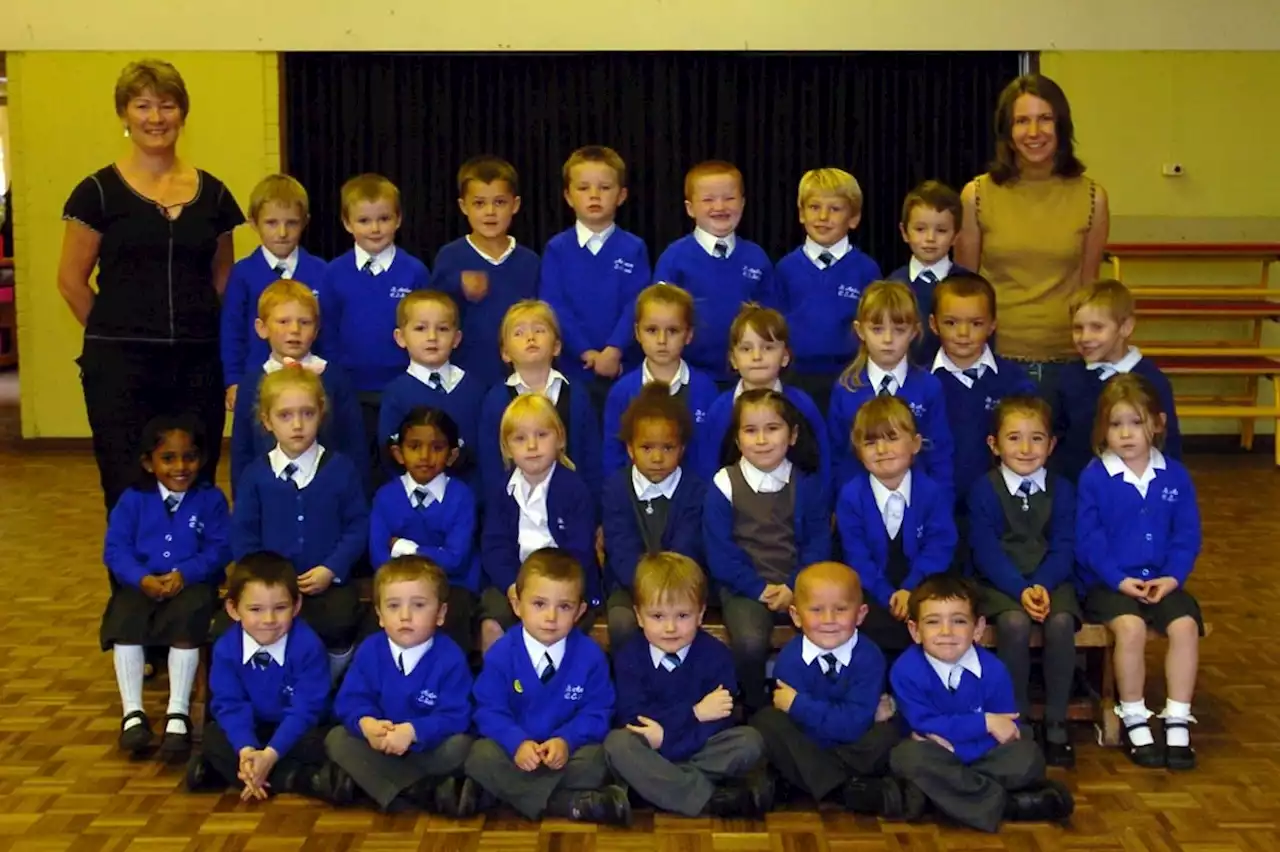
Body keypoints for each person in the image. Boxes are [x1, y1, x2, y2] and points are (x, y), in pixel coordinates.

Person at [58, 59, 245, 512]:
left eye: (166, 105)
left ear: (182, 113)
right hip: (121, 368)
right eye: (142, 105)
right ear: (124, 114)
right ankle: (132, 583)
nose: (155, 118)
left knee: (196, 478)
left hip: (197, 364)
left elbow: (224, 279)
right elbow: (70, 281)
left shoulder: (214, 195)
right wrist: (118, 333)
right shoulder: (97, 193)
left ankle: (196, 581)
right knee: (125, 481)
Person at [1075, 374, 1202, 770]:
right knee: (1128, 628)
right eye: (1116, 424)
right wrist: (1119, 579)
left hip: (1162, 581)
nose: (1126, 434)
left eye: (1136, 422)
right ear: (1103, 430)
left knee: (1184, 626)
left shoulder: (1175, 475)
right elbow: (1089, 539)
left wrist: (1172, 577)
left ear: (1158, 424)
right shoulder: (1095, 476)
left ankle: (1178, 717)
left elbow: (1187, 534)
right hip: (1109, 583)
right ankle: (1133, 714)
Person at [955, 73, 1110, 391]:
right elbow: (966, 290)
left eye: (1045, 119)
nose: (1034, 132)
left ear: (1061, 126)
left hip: (1068, 359)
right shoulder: (976, 195)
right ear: (1008, 132)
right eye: (1022, 121)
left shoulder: (1093, 197)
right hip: (995, 358)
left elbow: (1088, 289)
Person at [889, 575, 1074, 832]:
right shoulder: (905, 670)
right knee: (906, 756)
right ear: (915, 631)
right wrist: (984, 722)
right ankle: (1009, 805)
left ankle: (938, 798)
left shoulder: (993, 670)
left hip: (968, 755)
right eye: (933, 622)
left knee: (1028, 756)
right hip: (933, 754)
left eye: (959, 621)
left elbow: (1007, 729)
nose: (946, 632)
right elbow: (923, 722)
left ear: (978, 629)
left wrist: (956, 751)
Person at [465, 549, 629, 825]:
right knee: (479, 756)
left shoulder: (590, 656)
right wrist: (516, 742)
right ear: (517, 605)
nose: (551, 617)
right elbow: (488, 710)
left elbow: (598, 711)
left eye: (564, 607)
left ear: (580, 611)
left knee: (598, 759)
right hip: (514, 752)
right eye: (539, 604)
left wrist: (567, 740)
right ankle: (568, 803)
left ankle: (505, 794)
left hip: (566, 754)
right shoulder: (502, 653)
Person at [605, 552, 771, 817]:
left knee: (749, 741)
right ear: (638, 616)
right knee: (618, 744)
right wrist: (693, 713)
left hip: (681, 748)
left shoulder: (716, 655)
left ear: (701, 614)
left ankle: (654, 786)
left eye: (682, 615)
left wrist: (666, 739)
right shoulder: (629, 657)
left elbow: (719, 720)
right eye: (657, 616)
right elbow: (633, 718)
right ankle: (709, 799)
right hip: (653, 744)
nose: (670, 627)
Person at [103, 414, 230, 756]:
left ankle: (178, 713)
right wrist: (140, 577)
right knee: (125, 620)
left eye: (189, 457)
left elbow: (221, 547)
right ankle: (133, 713)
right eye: (168, 458)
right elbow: (115, 549)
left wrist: (186, 573)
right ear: (148, 462)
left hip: (192, 583)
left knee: (189, 621)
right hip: (141, 582)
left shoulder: (211, 498)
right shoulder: (132, 500)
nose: (181, 467)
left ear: (201, 459)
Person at [230, 368, 368, 679]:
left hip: (327, 582)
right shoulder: (255, 475)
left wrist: (331, 568)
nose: (297, 425)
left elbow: (357, 525)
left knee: (340, 621)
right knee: (265, 626)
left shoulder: (341, 469)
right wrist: (270, 579)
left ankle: (325, 686)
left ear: (321, 414)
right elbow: (243, 535)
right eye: (285, 415)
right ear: (267, 421)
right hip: (272, 589)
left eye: (307, 413)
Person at [703, 388, 831, 713]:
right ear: (736, 439)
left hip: (798, 585)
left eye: (772, 428)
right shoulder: (724, 484)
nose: (761, 439)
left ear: (793, 435)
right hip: (745, 588)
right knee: (749, 641)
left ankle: (811, 706)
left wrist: (793, 586)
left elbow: (817, 545)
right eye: (750, 430)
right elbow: (720, 554)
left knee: (830, 628)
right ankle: (756, 708)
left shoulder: (806, 484)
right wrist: (758, 589)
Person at [967, 396, 1079, 767]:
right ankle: (1018, 719)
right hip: (1002, 583)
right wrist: (1020, 589)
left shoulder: (1062, 490)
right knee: (1013, 624)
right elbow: (986, 551)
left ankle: (1056, 720)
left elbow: (1064, 546)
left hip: (1051, 580)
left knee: (1062, 623)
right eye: (1014, 438)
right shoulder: (984, 490)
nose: (1026, 449)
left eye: (1037, 438)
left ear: (1052, 444)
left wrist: (1042, 585)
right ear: (994, 445)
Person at [186, 553, 347, 803]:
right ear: (233, 609)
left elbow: (306, 709)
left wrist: (271, 754)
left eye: (280, 608)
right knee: (215, 736)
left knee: (325, 742)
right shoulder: (226, 648)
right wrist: (246, 749)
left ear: (296, 606)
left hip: (298, 727)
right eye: (256, 609)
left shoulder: (307, 645)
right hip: (254, 727)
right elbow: (230, 705)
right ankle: (295, 779)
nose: (269, 620)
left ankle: (237, 774)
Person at [750, 562, 904, 815]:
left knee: (887, 736)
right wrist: (855, 718)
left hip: (844, 746)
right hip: (811, 742)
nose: (829, 620)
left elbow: (853, 727)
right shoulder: (789, 660)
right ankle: (846, 790)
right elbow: (829, 725)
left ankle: (806, 781)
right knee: (766, 722)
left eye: (841, 610)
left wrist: (798, 704)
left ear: (861, 614)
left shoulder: (869, 657)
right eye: (817, 610)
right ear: (796, 616)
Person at [325, 556, 476, 814]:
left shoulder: (450, 657)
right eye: (393, 606)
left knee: (461, 746)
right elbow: (350, 701)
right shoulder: (370, 650)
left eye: (418, 605)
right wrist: (366, 723)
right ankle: (419, 792)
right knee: (337, 739)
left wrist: (413, 732)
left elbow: (457, 715)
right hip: (380, 745)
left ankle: (382, 786)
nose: (405, 616)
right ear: (380, 615)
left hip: (427, 748)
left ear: (440, 614)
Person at [318, 173, 430, 481]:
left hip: (402, 386)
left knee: (399, 462)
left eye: (384, 218)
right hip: (351, 389)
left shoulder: (414, 271)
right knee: (357, 463)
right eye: (365, 220)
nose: (375, 228)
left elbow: (427, 328)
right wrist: (335, 379)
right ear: (347, 223)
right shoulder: (334, 273)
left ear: (398, 219)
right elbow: (325, 331)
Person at [836, 397, 956, 660]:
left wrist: (910, 589)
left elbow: (939, 547)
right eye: (870, 442)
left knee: (933, 616)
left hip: (922, 583)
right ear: (858, 451)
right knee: (865, 621)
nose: (881, 449)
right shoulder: (851, 496)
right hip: (873, 587)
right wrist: (888, 594)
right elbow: (857, 557)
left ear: (914, 444)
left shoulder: (931, 492)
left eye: (891, 438)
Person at [479, 394, 600, 651]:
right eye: (520, 439)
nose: (532, 446)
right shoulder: (503, 490)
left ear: (560, 439)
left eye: (542, 435)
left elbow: (579, 551)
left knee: (556, 625)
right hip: (515, 581)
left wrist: (546, 593)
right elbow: (494, 547)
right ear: (507, 447)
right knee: (492, 625)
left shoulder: (574, 489)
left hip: (564, 585)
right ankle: (500, 688)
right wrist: (513, 586)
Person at [540, 145, 651, 412]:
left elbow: (637, 304)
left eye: (604, 188)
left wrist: (614, 350)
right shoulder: (557, 249)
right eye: (583, 188)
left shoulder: (633, 248)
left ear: (621, 195)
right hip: (572, 370)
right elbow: (554, 306)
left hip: (624, 369)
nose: (594, 195)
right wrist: (585, 352)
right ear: (568, 196)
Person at [228, 279, 365, 493]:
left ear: (317, 330)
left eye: (304, 322)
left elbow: (353, 443)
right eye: (283, 321)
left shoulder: (334, 378)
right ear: (262, 328)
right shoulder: (252, 383)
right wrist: (243, 499)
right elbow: (241, 449)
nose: (294, 330)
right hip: (268, 493)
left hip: (328, 490)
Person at [601, 384, 706, 648]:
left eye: (668, 448)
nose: (657, 457)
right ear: (630, 449)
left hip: (681, 590)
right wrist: (648, 593)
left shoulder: (695, 490)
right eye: (647, 448)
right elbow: (621, 550)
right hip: (629, 588)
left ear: (682, 449)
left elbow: (687, 548)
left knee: (684, 621)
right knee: (623, 624)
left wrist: (665, 597)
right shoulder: (616, 488)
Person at [654, 160, 775, 384]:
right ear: (690, 208)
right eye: (708, 200)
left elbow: (771, 320)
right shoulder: (674, 258)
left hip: (748, 375)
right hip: (689, 377)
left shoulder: (757, 258)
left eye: (729, 198)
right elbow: (659, 316)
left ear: (743, 203)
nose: (719, 207)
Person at [828, 280, 954, 496]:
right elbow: (836, 456)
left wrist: (939, 507)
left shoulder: (929, 387)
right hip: (860, 506)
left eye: (899, 330)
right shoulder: (846, 388)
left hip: (918, 505)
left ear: (914, 332)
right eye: (877, 329)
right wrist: (844, 504)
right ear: (860, 330)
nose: (888, 339)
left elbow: (940, 455)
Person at [370, 408, 479, 652]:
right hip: (398, 588)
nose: (425, 456)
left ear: (451, 456)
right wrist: (435, 553)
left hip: (453, 588)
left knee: (454, 627)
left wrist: (406, 548)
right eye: (414, 446)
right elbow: (380, 559)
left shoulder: (462, 497)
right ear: (399, 453)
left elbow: (456, 559)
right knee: (376, 628)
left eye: (437, 448)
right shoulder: (386, 497)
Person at [1052, 279, 1182, 483]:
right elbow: (1056, 439)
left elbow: (1169, 445)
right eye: (1078, 328)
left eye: (1097, 327)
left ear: (1126, 327)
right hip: (1079, 493)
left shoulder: (1152, 380)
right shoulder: (1068, 377)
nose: (1085, 337)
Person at [774, 168, 881, 412]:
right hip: (795, 379)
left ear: (853, 218)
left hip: (851, 379)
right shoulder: (785, 268)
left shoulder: (866, 270)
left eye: (835, 209)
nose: (823, 216)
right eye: (814, 207)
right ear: (801, 214)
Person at [694, 304, 831, 493]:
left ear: (784, 357)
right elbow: (707, 466)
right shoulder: (720, 410)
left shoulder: (802, 405)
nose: (757, 357)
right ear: (733, 359)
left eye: (768, 348)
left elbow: (821, 462)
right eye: (746, 349)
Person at [220, 174, 328, 412]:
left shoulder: (321, 271)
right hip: (256, 382)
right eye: (271, 223)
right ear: (253, 223)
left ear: (305, 222)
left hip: (310, 383)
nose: (282, 232)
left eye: (291, 223)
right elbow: (232, 331)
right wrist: (233, 380)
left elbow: (328, 331)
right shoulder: (243, 273)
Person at [430, 155, 540, 389]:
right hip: (463, 378)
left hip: (521, 380)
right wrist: (457, 287)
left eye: (499, 202)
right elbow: (432, 312)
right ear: (463, 206)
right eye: (479, 203)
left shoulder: (530, 261)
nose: (490, 212)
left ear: (515, 205)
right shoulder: (450, 256)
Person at [476, 299, 602, 502]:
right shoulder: (496, 400)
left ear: (557, 347)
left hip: (573, 508)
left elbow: (591, 458)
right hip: (516, 512)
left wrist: (595, 514)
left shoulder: (577, 394)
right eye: (519, 333)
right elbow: (491, 467)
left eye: (540, 330)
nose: (530, 337)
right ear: (505, 353)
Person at [929, 273, 1035, 512]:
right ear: (934, 324)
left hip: (999, 509)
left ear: (992, 324)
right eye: (951, 323)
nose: (963, 333)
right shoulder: (918, 383)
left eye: (976, 323)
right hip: (935, 508)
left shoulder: (1015, 382)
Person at [602, 283, 718, 475]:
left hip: (693, 499)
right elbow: (612, 458)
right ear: (637, 333)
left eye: (672, 331)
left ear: (688, 335)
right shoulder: (622, 392)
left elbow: (708, 457)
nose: (662, 340)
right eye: (652, 330)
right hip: (635, 500)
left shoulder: (705, 389)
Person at [377, 291, 486, 488]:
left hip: (470, 497)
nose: (432, 337)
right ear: (400, 337)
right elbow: (390, 455)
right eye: (420, 328)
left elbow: (485, 451)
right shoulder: (396, 393)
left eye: (443, 329)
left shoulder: (474, 388)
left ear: (456, 338)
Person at [888, 181, 972, 367]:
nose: (930, 238)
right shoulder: (891, 286)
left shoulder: (969, 287)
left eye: (941, 230)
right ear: (904, 232)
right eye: (920, 229)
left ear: (956, 236)